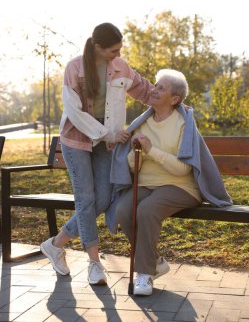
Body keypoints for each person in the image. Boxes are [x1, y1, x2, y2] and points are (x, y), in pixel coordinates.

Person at [40, 22, 154, 285]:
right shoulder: (75, 68)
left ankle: (56, 244)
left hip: (106, 144)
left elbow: (143, 89)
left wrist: (172, 97)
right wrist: (108, 134)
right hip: (76, 140)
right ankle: (94, 263)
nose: (118, 53)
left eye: (119, 49)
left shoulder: (120, 67)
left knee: (102, 199)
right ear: (98, 47)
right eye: (113, 50)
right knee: (86, 198)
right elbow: (75, 112)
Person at [113, 68, 232, 296]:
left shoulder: (183, 124)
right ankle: (155, 261)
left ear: (174, 98)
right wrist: (136, 152)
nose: (153, 90)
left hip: (180, 187)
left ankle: (145, 275)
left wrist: (151, 150)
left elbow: (183, 168)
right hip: (147, 184)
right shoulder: (143, 122)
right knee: (122, 210)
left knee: (147, 211)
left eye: (160, 88)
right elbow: (132, 166)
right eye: (155, 85)